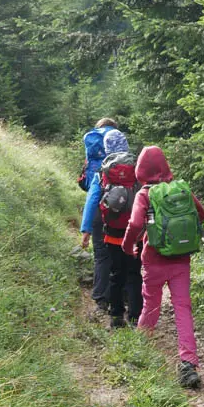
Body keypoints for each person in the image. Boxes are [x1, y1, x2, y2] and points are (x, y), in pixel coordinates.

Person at [121, 145, 204, 389]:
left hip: (154, 258)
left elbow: (135, 223)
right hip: (181, 259)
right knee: (183, 308)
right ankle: (188, 363)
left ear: (141, 170)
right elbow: (201, 213)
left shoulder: (145, 194)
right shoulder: (180, 189)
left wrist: (129, 246)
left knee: (151, 305)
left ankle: (138, 354)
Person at [79, 118, 117, 311]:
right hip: (120, 212)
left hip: (98, 213)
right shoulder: (126, 170)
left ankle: (100, 299)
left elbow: (92, 199)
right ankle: (121, 296)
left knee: (101, 256)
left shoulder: (98, 171)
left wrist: (85, 230)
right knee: (119, 254)